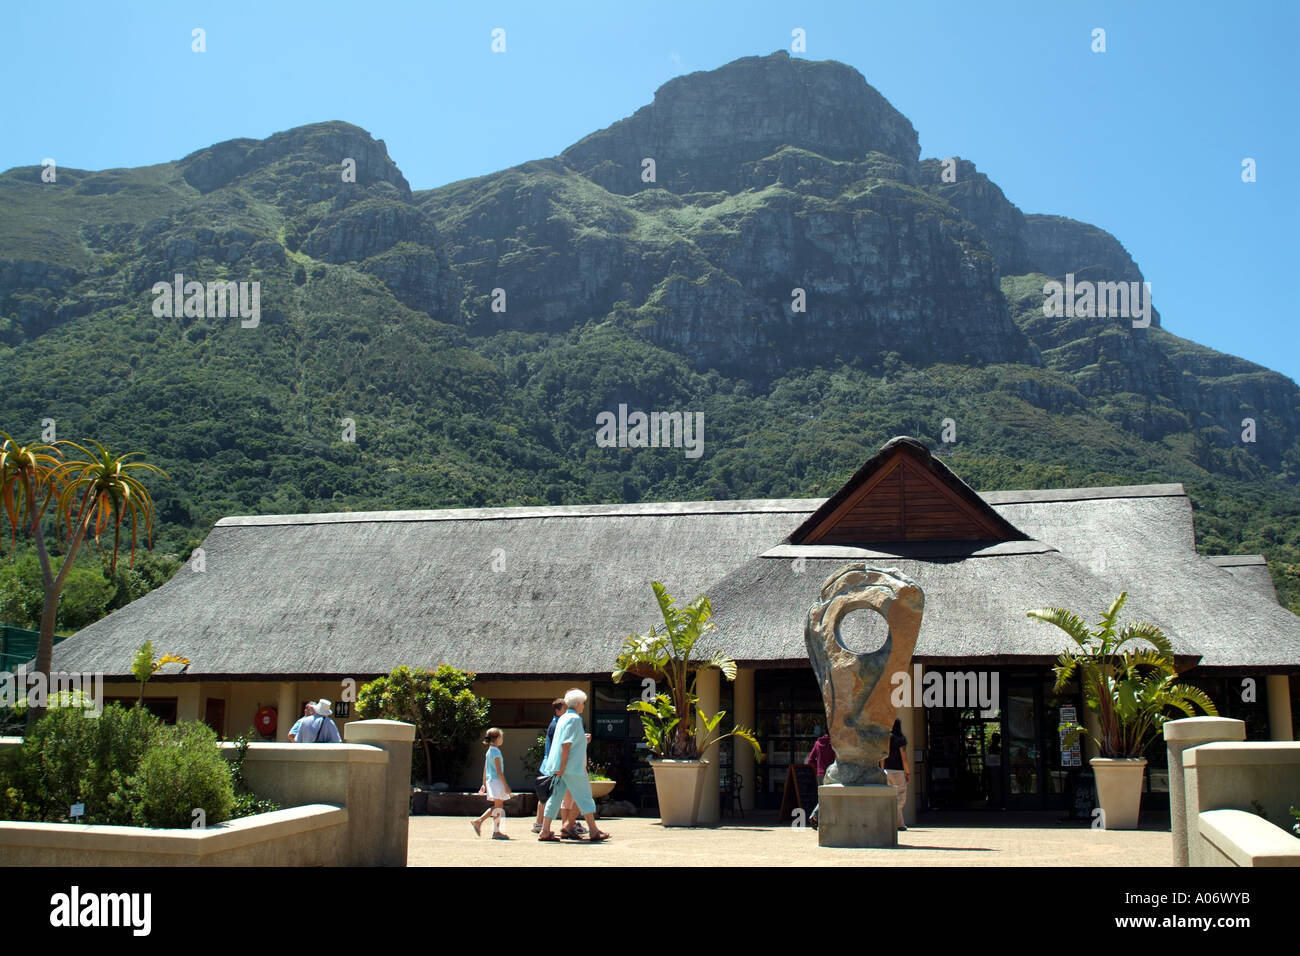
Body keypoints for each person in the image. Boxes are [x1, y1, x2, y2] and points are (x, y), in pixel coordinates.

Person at [538, 689, 610, 843]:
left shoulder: (563, 718)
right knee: (585, 797)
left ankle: (545, 830)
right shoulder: (575, 719)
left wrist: (561, 766)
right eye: (583, 703)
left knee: (555, 798)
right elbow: (566, 744)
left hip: (560, 767)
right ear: (578, 704)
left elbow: (566, 741)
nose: (583, 706)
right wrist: (564, 766)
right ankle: (593, 831)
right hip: (572, 768)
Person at [473, 728, 512, 839]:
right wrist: (506, 786)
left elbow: (485, 768)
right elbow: (499, 772)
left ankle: (483, 823)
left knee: (498, 806)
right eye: (501, 737)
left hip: (491, 781)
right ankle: (492, 829)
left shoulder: (489, 751)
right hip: (496, 781)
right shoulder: (496, 751)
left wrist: (484, 783)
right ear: (497, 738)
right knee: (499, 807)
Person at [882, 717, 910, 830]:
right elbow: (904, 758)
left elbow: (882, 756)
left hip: (886, 771)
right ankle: (895, 821)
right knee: (901, 797)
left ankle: (900, 824)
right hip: (898, 771)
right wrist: (908, 773)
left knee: (891, 797)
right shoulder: (900, 739)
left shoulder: (886, 739)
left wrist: (882, 770)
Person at [806, 728, 834, 828]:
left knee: (824, 796)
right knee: (829, 797)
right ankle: (815, 815)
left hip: (820, 774)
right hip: (832, 774)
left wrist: (817, 768)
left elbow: (810, 760)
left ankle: (821, 819)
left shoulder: (818, 743)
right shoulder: (834, 744)